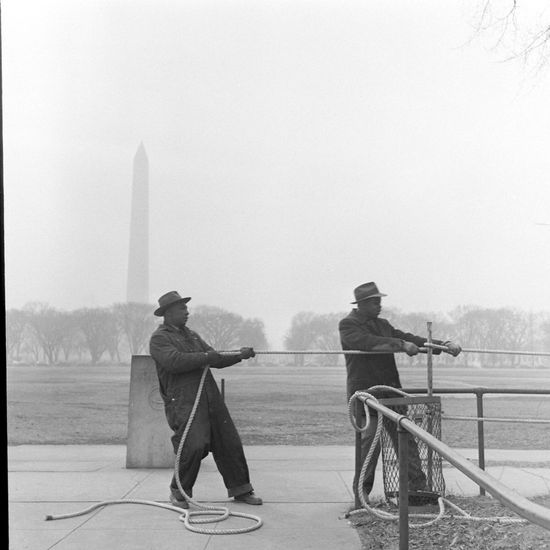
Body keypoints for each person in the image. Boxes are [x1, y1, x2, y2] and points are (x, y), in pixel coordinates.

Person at [338, 282, 461, 501]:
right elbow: (367, 343)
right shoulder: (348, 325)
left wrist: (443, 345)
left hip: (391, 393)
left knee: (406, 440)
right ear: (363, 304)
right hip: (366, 395)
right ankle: (361, 497)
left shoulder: (383, 324)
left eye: (380, 301)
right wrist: (400, 344)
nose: (379, 306)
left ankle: (417, 491)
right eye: (375, 302)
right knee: (370, 445)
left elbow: (410, 338)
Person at [149, 290, 262, 509]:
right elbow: (174, 362)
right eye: (182, 309)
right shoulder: (160, 338)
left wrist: (240, 355)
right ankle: (179, 493)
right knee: (193, 445)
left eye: (186, 308)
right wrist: (205, 357)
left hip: (210, 397)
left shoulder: (191, 335)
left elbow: (215, 358)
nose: (187, 312)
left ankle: (241, 489)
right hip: (184, 401)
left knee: (228, 442)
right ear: (168, 313)